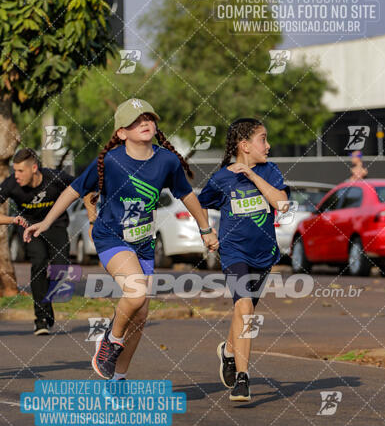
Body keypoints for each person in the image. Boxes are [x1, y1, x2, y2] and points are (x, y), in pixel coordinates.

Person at [24, 98, 219, 380]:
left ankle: (118, 377)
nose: (145, 123)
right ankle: (110, 341)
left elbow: (186, 194)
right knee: (136, 293)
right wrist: (45, 221)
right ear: (121, 133)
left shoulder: (166, 160)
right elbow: (74, 190)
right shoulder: (112, 160)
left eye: (149, 118)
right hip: (111, 238)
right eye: (136, 121)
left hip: (143, 244)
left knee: (140, 315)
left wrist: (205, 229)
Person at [198, 118, 290, 402]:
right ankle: (242, 379)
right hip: (233, 252)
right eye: (263, 139)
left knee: (243, 312)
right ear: (245, 145)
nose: (268, 145)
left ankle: (228, 350)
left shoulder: (269, 171)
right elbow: (199, 203)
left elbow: (282, 204)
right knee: (245, 308)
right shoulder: (222, 179)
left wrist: (252, 176)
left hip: (263, 255)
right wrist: (207, 233)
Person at [0, 148, 74, 335]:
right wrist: (12, 220)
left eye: (20, 171)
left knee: (61, 269)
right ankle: (41, 319)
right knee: (39, 261)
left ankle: (45, 303)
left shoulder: (55, 178)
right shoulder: (10, 184)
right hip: (29, 227)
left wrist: (92, 218)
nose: (16, 175)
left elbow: (83, 188)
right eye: (14, 170)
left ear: (34, 168)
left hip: (55, 225)